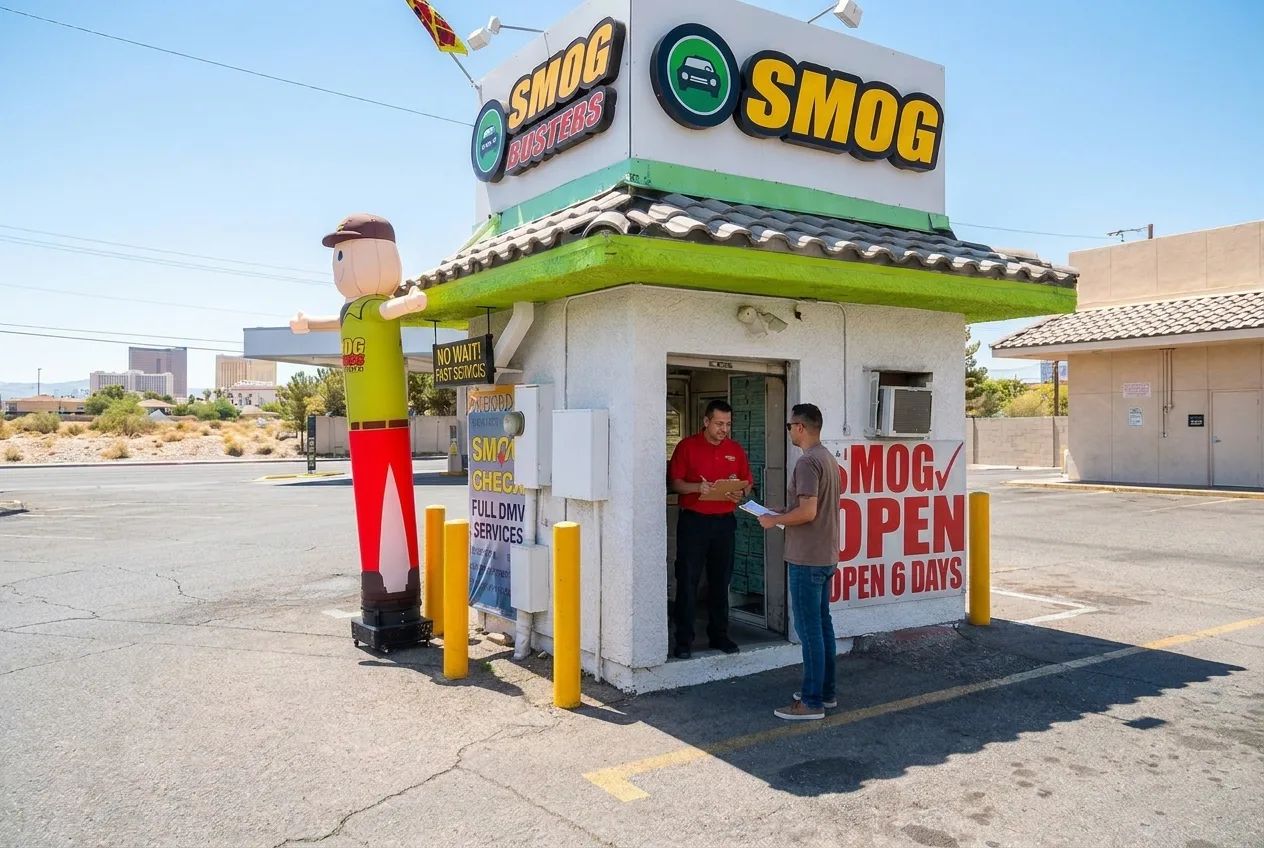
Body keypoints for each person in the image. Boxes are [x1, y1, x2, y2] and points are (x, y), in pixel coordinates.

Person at [759, 403, 841, 721]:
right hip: (824, 555)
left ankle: (810, 702)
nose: (789, 430)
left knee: (809, 633)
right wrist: (778, 512)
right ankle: (825, 692)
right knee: (822, 627)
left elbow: (808, 513)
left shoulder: (807, 463)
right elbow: (806, 506)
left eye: (789, 425)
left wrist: (771, 522)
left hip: (807, 559)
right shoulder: (827, 459)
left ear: (800, 428)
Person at [668, 399, 753, 659]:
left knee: (720, 581)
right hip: (694, 521)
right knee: (688, 581)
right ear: (706, 421)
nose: (723, 429)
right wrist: (697, 488)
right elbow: (675, 483)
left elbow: (748, 481)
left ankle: (720, 635)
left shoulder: (735, 449)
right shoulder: (687, 447)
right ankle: (683, 641)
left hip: (724, 523)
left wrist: (741, 492)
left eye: (727, 424)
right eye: (719, 423)